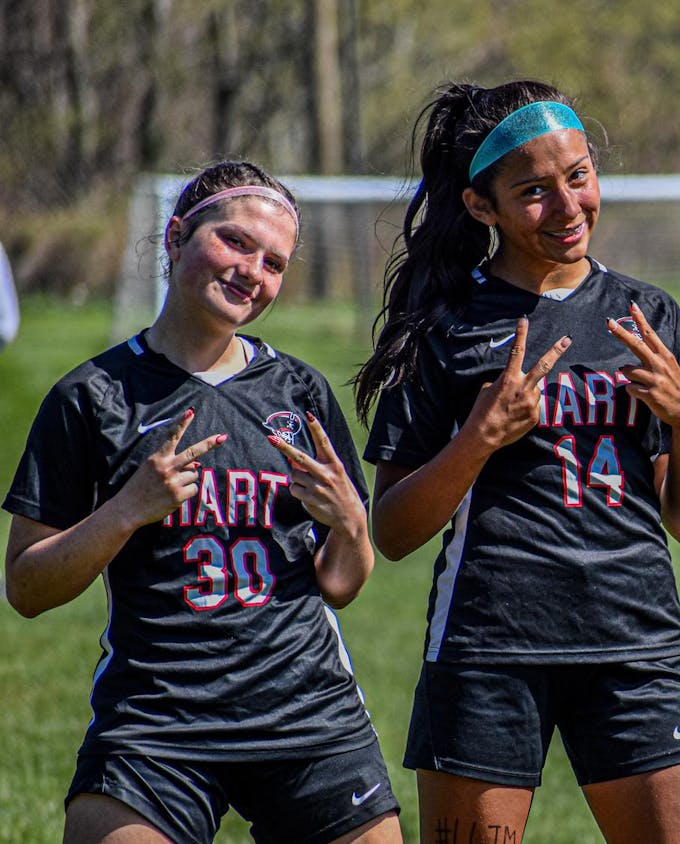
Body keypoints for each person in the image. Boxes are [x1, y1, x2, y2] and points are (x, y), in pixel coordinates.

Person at [353, 80, 680, 843]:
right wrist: (478, 440)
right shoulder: (447, 326)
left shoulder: (648, 315)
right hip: (490, 648)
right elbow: (390, 531)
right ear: (482, 207)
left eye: (578, 176)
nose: (567, 207)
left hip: (637, 644)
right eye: (533, 192)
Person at [3, 161, 401, 843]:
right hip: (158, 722)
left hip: (307, 716)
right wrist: (126, 509)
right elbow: (27, 586)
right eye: (237, 243)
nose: (254, 272)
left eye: (273, 263)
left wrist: (350, 524)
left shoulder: (299, 394)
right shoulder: (91, 397)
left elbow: (341, 583)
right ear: (177, 235)